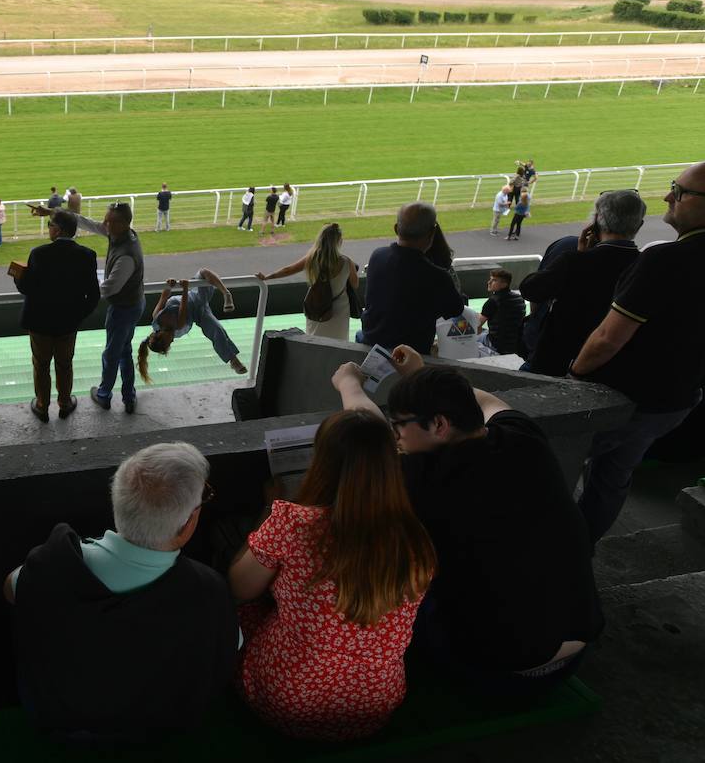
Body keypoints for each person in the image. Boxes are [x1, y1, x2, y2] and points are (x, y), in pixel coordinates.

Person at [333, 347, 603, 696]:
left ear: (440, 424)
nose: (395, 434)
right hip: (578, 647)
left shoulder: (420, 478)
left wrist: (348, 384)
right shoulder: (523, 438)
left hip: (500, 670)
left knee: (400, 594)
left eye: (399, 424)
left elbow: (369, 432)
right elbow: (487, 402)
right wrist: (420, 375)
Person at [570, 162, 705, 543]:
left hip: (620, 401)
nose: (668, 196)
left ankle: (541, 554)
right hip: (675, 402)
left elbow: (608, 338)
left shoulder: (663, 259)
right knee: (613, 476)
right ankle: (580, 548)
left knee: (546, 467)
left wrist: (573, 374)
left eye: (681, 191)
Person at [4, 442, 238, 745]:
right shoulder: (210, 591)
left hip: (58, 720)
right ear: (187, 524)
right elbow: (227, 652)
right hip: (162, 726)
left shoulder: (50, 564)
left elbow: (10, 590)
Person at [228, 410, 436, 741]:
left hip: (289, 702)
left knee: (240, 612)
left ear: (322, 461)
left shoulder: (294, 524)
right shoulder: (414, 539)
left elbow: (240, 587)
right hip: (376, 706)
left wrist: (269, 511)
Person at [31, 200, 145, 414]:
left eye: (109, 221)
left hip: (124, 308)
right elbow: (86, 222)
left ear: (122, 224)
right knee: (124, 351)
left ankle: (104, 396)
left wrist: (73, 291)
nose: (104, 224)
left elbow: (109, 288)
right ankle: (129, 396)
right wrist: (53, 211)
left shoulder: (127, 255)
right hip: (132, 303)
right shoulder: (121, 233)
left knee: (112, 354)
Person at [519, 190, 645, 377]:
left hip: (556, 364)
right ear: (639, 225)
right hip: (611, 367)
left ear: (596, 222)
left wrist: (579, 256)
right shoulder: (645, 266)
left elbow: (529, 289)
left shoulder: (574, 261)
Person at [12, 209, 100, 422]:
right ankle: (65, 403)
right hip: (67, 324)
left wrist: (18, 277)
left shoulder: (38, 253)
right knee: (65, 364)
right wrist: (77, 316)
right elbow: (94, 295)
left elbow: (27, 288)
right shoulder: (87, 255)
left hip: (40, 323)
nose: (48, 228)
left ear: (58, 229)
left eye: (50, 224)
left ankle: (42, 406)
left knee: (41, 365)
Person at [359, 203, 466, 353]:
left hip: (371, 345)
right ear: (432, 233)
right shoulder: (438, 276)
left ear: (396, 229)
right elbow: (456, 309)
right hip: (410, 356)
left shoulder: (377, 256)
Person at [138, 272, 247, 383]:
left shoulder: (157, 318)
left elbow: (164, 296)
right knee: (217, 330)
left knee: (203, 273)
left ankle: (226, 293)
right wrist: (185, 288)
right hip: (198, 312)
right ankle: (233, 360)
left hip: (195, 297)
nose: (172, 341)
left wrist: (169, 284)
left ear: (162, 337)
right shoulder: (178, 326)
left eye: (169, 343)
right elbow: (183, 306)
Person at [257, 223, 359, 339]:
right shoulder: (347, 262)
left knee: (315, 339)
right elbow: (355, 284)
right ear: (339, 241)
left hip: (317, 304)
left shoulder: (313, 258)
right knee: (339, 340)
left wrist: (267, 277)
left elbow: (288, 270)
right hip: (340, 307)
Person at [477, 269, 526, 355]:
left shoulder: (492, 301)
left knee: (471, 337)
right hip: (517, 344)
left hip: (498, 345)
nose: (489, 282)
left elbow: (477, 325)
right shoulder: (519, 299)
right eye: (490, 279)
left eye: (494, 280)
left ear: (504, 284)